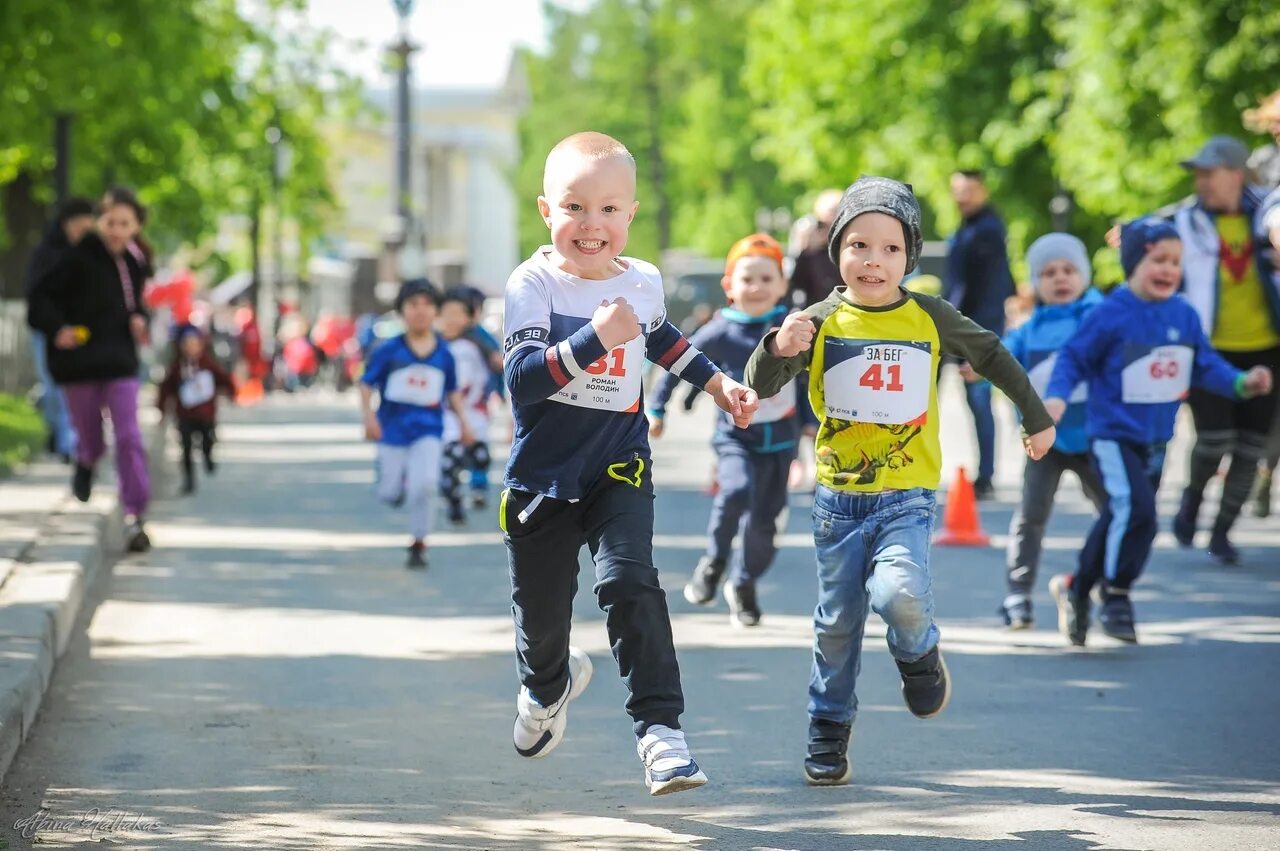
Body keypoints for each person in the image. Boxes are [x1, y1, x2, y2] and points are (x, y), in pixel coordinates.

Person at [745, 176, 1056, 786]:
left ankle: (919, 656)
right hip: (838, 500)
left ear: (909, 256)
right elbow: (760, 384)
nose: (873, 261)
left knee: (899, 594)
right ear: (838, 251)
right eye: (859, 245)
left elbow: (991, 352)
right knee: (837, 622)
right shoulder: (818, 318)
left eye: (891, 249)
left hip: (907, 497)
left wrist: (1035, 415)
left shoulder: (929, 316)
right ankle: (828, 728)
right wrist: (777, 345)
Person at [500, 131, 758, 795]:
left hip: (619, 463)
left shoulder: (642, 280)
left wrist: (718, 385)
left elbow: (665, 340)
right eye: (575, 207)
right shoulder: (533, 283)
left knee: (629, 581)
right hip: (543, 476)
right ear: (545, 211)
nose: (592, 225)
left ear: (631, 214)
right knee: (543, 627)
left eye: (609, 209)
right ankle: (546, 685)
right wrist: (594, 338)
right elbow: (524, 380)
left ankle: (662, 735)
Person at [1045, 218, 1272, 647]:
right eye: (1158, 260)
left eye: (1175, 262)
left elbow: (1204, 364)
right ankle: (1116, 596)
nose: (1169, 269)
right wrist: (1056, 399)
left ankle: (1076, 587)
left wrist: (1243, 383)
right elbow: (1073, 359)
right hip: (1112, 434)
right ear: (1134, 262)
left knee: (1125, 516)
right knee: (1138, 511)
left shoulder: (1183, 314)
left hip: (1156, 438)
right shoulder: (1110, 313)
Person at [647, 233, 799, 628]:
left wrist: (815, 428)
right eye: (747, 279)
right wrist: (657, 408)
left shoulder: (790, 329)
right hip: (736, 437)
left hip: (782, 439)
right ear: (729, 285)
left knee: (766, 523)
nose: (757, 288)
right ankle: (714, 562)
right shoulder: (720, 330)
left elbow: (814, 377)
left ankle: (744, 584)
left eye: (768, 279)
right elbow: (679, 359)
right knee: (735, 492)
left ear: (782, 285)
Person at [1165, 137, 1280, 565]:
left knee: (1250, 448)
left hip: (1266, 350)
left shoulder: (1267, 213)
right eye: (1197, 175)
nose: (1201, 182)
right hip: (1208, 351)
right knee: (1213, 441)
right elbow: (1152, 239)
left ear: (1235, 173)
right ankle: (1192, 500)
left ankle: (1222, 532)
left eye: (1208, 174)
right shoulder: (1185, 220)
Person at [26, 189, 153, 552]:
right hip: (80, 364)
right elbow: (39, 301)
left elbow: (137, 305)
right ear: (99, 221)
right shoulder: (74, 258)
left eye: (124, 224)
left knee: (128, 437)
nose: (116, 230)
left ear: (136, 226)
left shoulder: (134, 262)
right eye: (110, 222)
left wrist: (139, 320)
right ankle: (85, 460)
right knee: (92, 440)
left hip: (120, 364)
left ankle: (135, 516)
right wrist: (58, 328)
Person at [997, 234, 1106, 629]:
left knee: (1114, 514)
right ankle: (1018, 594)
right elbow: (998, 354)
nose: (1060, 278)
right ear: (1035, 283)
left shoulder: (1100, 317)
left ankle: (1098, 585)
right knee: (1031, 516)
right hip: (1045, 443)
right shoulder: (1030, 329)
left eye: (1068, 269)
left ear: (1083, 275)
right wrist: (977, 367)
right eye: (1048, 272)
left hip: (1096, 439)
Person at [360, 278, 474, 570]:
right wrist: (368, 418)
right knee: (388, 494)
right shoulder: (389, 350)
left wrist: (464, 423)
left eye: (427, 305)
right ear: (402, 310)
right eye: (413, 305)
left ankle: (419, 542)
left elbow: (452, 392)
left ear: (435, 311)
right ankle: (394, 483)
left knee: (426, 485)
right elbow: (366, 385)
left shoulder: (444, 354)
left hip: (428, 427)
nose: (420, 311)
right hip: (393, 428)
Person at [943, 170, 1017, 499]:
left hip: (974, 329)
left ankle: (986, 476)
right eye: (958, 190)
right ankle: (984, 475)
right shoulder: (970, 227)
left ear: (983, 191)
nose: (963, 197)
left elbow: (988, 287)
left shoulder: (986, 230)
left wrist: (975, 335)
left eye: (969, 190)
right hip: (961, 325)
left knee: (979, 399)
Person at [23, 197, 95, 461]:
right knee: (53, 387)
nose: (80, 233)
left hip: (77, 333)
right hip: (48, 331)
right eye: (77, 226)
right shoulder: (48, 254)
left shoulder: (88, 255)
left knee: (73, 389)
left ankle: (71, 442)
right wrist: (56, 327)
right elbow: (37, 296)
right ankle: (62, 439)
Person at [157, 324, 235, 495]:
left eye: (194, 343)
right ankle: (189, 481)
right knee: (186, 447)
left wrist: (231, 392)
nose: (190, 347)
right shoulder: (177, 368)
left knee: (208, 439)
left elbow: (224, 378)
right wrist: (162, 410)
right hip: (184, 414)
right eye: (186, 343)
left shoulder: (208, 364)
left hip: (206, 414)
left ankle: (208, 455)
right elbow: (166, 389)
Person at [437, 289, 492, 524]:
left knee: (479, 454)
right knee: (450, 461)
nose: (451, 319)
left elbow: (496, 364)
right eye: (446, 314)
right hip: (445, 414)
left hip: (474, 410)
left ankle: (478, 487)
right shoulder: (433, 344)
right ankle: (454, 503)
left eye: (458, 314)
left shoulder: (476, 342)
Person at [788, 189, 844, 309]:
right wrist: (803, 249)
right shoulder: (810, 253)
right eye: (823, 223)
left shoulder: (850, 247)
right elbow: (793, 284)